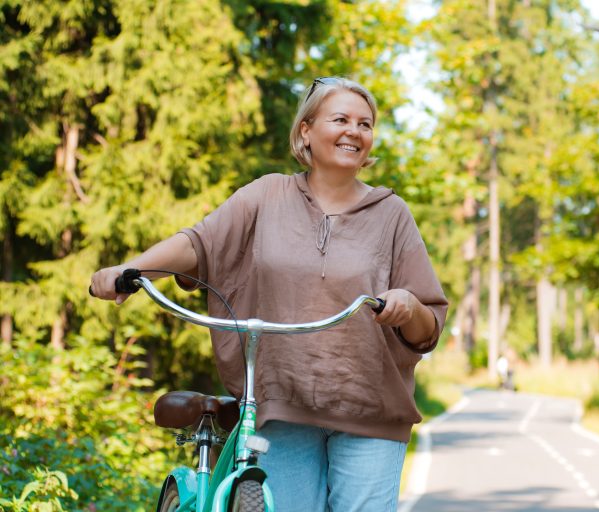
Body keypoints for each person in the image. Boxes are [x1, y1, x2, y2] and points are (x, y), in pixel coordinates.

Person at [90, 76, 448, 512]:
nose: (355, 131)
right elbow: (198, 243)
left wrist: (408, 305)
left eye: (366, 124)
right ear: (306, 131)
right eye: (341, 119)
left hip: (369, 411)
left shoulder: (392, 214)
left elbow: (428, 325)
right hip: (283, 404)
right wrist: (130, 269)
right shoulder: (266, 194)